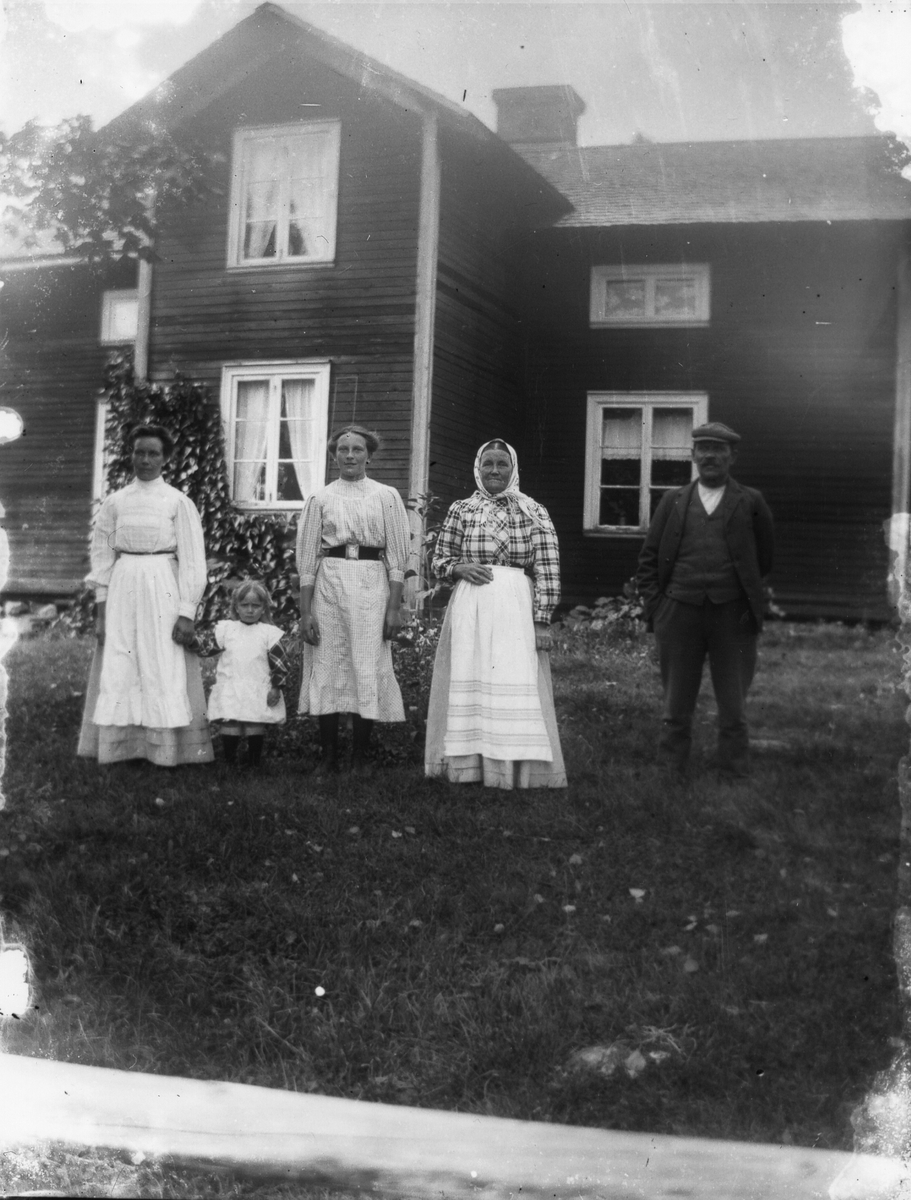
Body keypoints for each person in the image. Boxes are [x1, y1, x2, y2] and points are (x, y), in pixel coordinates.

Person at [424, 438, 567, 790]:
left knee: (513, 679)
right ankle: (469, 767)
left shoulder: (533, 510)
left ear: (513, 469)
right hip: (471, 604)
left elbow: (548, 568)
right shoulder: (462, 509)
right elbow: (438, 559)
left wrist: (541, 621)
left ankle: (515, 770)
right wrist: (459, 568)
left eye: (502, 464)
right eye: (487, 463)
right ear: (478, 468)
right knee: (470, 675)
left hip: (515, 605)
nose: (494, 470)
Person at [636, 421, 775, 777]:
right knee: (676, 701)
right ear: (693, 455)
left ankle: (733, 770)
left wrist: (741, 596)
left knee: (733, 703)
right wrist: (658, 608)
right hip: (678, 613)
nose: (711, 456)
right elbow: (649, 557)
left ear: (732, 456)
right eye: (704, 449)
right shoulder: (673, 500)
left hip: (733, 616)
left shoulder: (751, 501)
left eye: (719, 449)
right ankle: (671, 769)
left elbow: (764, 558)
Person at [77, 423, 214, 767]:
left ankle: (163, 750)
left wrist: (187, 612)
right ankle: (121, 748)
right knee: (121, 663)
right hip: (123, 585)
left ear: (165, 458)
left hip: (162, 585)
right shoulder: (115, 502)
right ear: (131, 454)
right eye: (140, 452)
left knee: (161, 663)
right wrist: (101, 613)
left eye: (153, 453)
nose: (146, 460)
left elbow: (193, 561)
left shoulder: (178, 502)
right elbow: (102, 557)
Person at [296, 424, 409, 773]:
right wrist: (305, 612)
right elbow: (307, 559)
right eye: (342, 450)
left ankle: (360, 756)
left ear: (368, 456)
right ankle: (328, 756)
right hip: (329, 585)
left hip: (372, 586)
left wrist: (394, 607)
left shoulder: (386, 496)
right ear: (334, 456)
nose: (349, 455)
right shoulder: (320, 499)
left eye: (357, 449)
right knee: (327, 664)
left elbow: (398, 557)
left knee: (366, 663)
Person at [193, 580, 292, 769]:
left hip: (257, 687)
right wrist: (192, 641)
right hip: (231, 686)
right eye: (245, 605)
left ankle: (254, 765)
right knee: (230, 721)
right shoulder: (227, 630)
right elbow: (207, 648)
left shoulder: (269, 633)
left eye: (255, 606)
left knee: (254, 722)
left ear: (263, 608)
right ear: (236, 607)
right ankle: (230, 764)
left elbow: (280, 664)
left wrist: (276, 687)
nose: (250, 610)